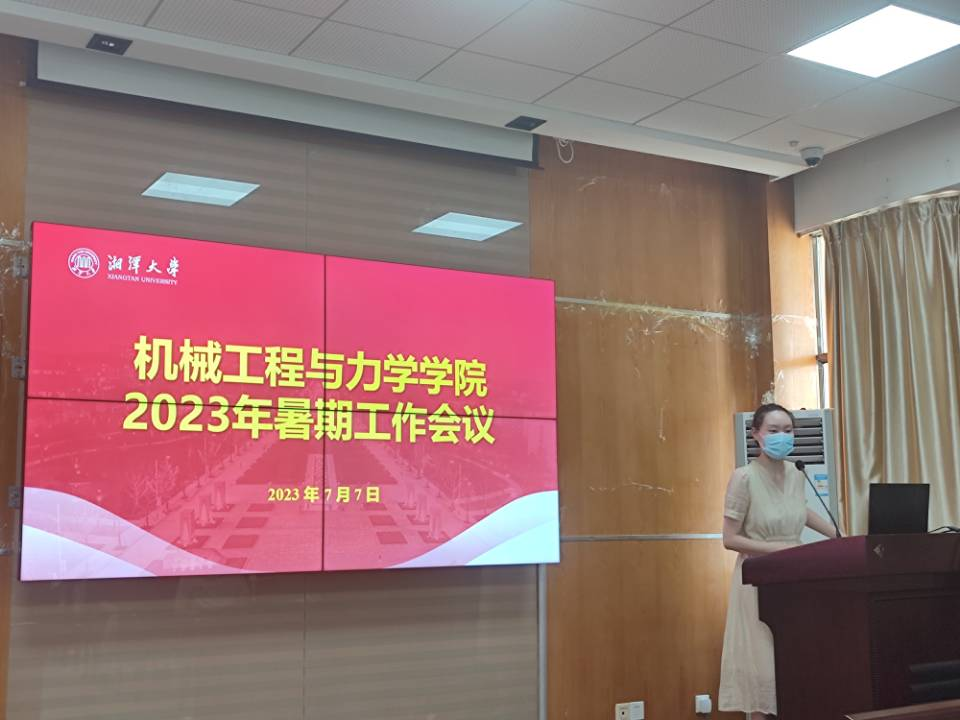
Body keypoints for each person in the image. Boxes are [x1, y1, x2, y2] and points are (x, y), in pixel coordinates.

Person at [718, 403, 839, 719]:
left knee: (794, 667)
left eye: (787, 430)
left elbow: (799, 509)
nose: (781, 436)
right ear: (756, 434)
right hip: (757, 582)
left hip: (794, 578)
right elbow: (729, 538)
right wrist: (778, 550)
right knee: (763, 669)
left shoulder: (797, 473)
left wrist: (839, 535)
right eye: (773, 430)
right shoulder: (743, 478)